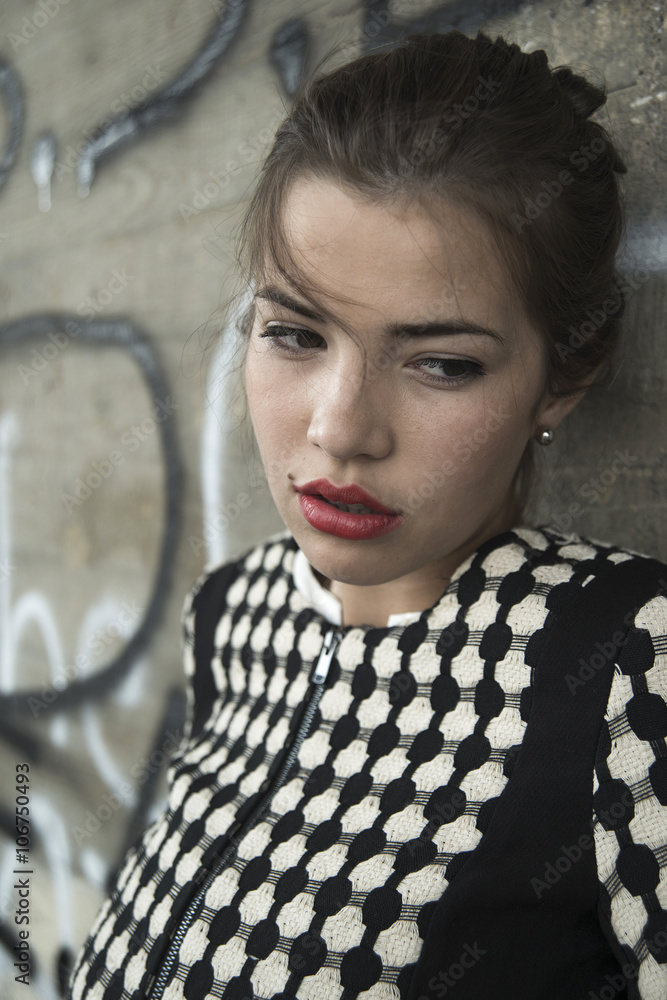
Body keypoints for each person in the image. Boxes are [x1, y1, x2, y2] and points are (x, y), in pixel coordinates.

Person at [69, 29, 667, 1000]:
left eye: (441, 362)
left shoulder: (626, 662)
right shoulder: (231, 611)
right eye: (295, 333)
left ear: (562, 377)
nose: (341, 429)